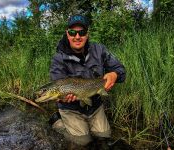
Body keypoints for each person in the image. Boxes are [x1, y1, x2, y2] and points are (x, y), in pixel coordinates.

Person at [49, 14, 126, 149]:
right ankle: (57, 122)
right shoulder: (58, 58)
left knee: (104, 136)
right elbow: (57, 85)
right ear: (67, 34)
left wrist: (114, 74)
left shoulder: (99, 50)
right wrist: (63, 98)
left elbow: (121, 70)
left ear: (87, 34)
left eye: (82, 32)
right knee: (82, 141)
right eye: (73, 32)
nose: (77, 37)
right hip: (71, 109)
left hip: (94, 105)